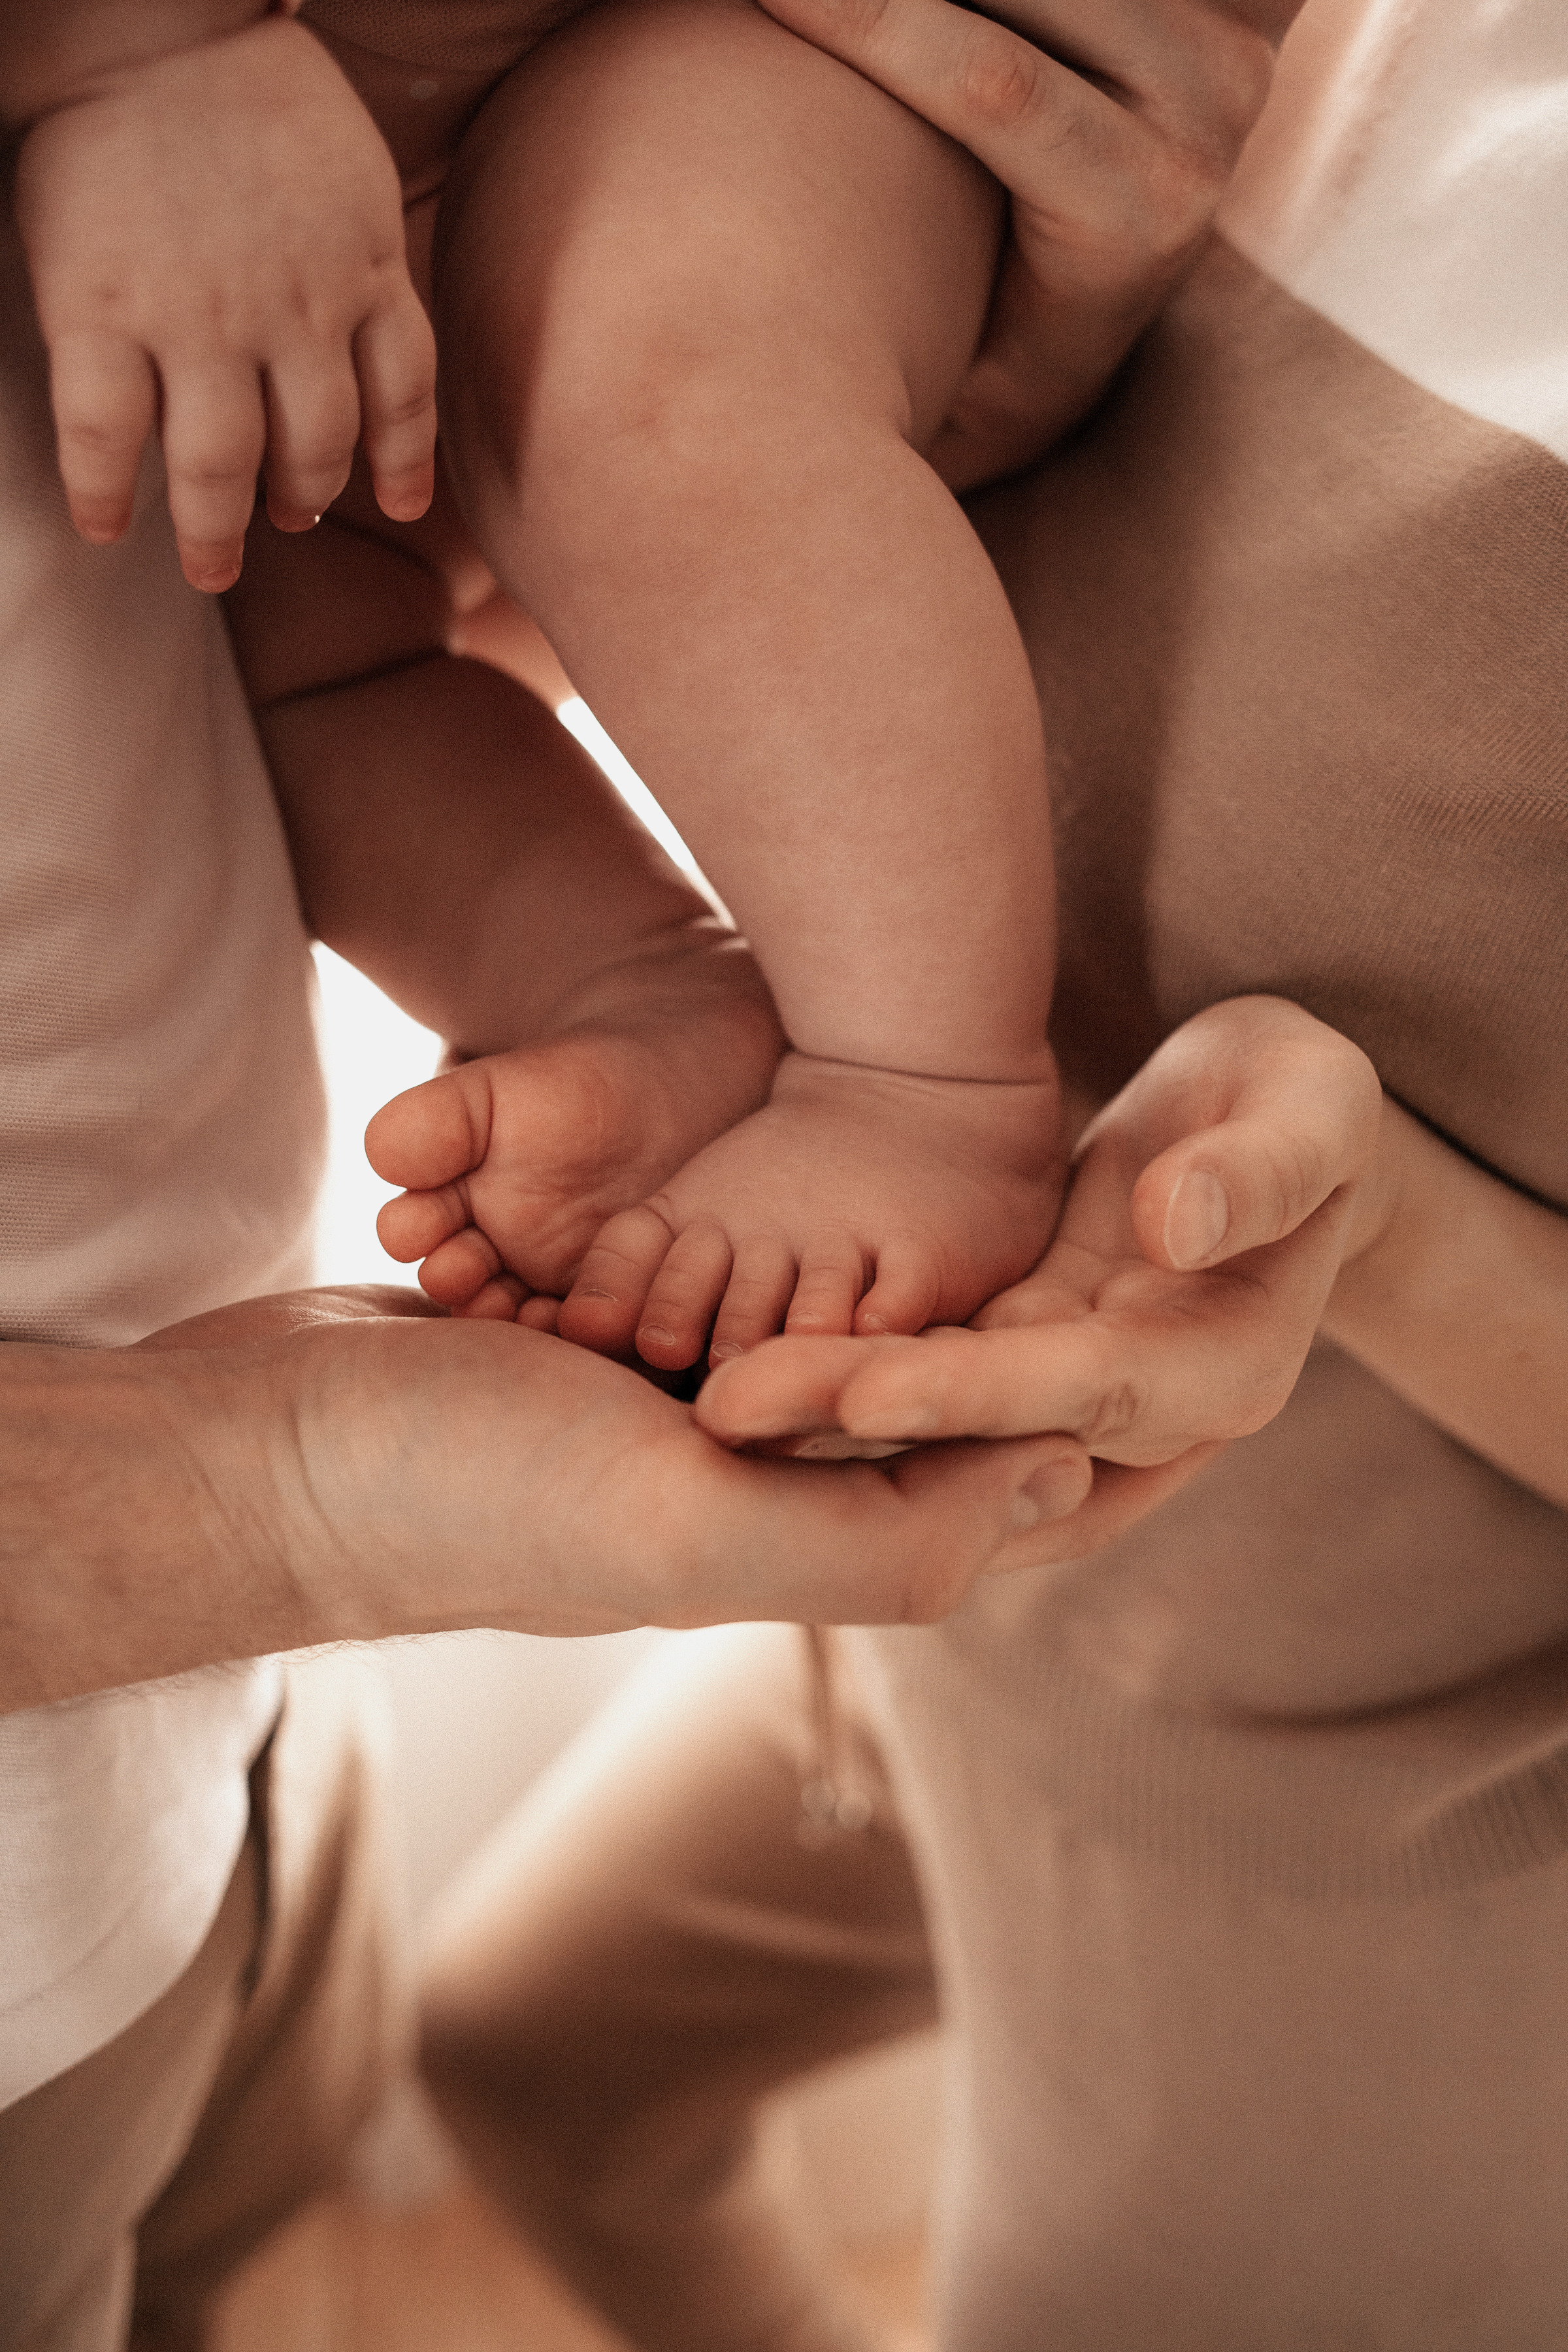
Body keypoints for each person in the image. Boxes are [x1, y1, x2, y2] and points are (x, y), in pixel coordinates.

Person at [0, 5, 1320, 2347]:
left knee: (588, 391)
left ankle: (878, 1053)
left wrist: (154, 54)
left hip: (206, 1749)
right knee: (441, 524)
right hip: (122, 1744)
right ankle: (719, 999)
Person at [416, 0, 1568, 2344]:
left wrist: (1368, 1216)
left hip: (1383, 1839)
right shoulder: (1222, 45)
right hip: (962, 1602)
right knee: (520, 2061)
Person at [9, 0, 1293, 1372]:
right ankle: (632, 979)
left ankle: (930, 1089)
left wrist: (143, 50)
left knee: (632, 375)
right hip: (321, 179)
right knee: (286, 668)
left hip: (670, 32)